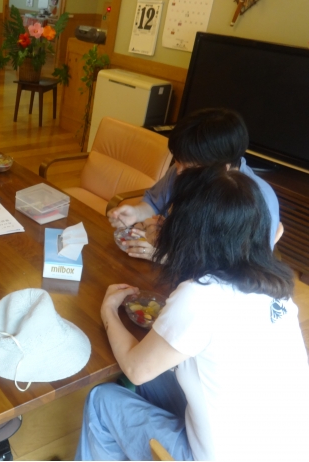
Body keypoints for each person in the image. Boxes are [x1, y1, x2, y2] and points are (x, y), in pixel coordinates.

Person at [76, 166, 309, 461]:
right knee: (153, 378)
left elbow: (135, 368)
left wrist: (108, 310)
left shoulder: (199, 295)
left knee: (101, 399)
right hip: (291, 449)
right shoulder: (278, 289)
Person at [107, 108, 282, 259]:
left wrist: (166, 257)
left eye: (189, 167)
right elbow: (154, 203)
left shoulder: (254, 201)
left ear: (223, 168)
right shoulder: (183, 168)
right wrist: (137, 213)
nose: (179, 172)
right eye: (177, 160)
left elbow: (238, 268)